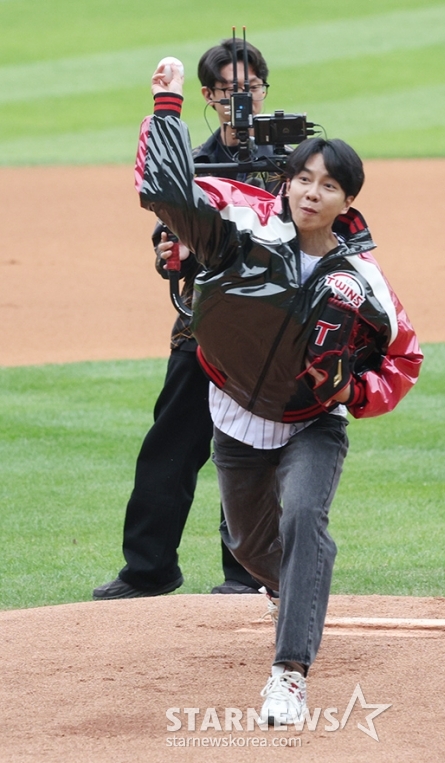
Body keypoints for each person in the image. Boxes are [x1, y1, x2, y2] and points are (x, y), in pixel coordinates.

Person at [135, 60, 423, 724]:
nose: (311, 192)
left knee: (302, 521)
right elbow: (168, 199)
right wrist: (167, 106)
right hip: (236, 418)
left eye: (329, 185)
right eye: (302, 178)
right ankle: (292, 581)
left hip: (312, 424)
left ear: (348, 201)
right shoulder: (246, 236)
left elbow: (404, 358)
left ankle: (288, 673)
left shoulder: (362, 280)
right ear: (286, 184)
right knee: (250, 547)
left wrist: (356, 387)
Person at [93, 38, 282, 601]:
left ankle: (245, 574)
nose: (242, 100)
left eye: (251, 88)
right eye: (229, 91)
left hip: (268, 337)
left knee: (250, 451)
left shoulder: (292, 164)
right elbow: (168, 235)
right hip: (201, 330)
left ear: (265, 90)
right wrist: (168, 253)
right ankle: (149, 570)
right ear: (208, 95)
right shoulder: (190, 164)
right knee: (168, 449)